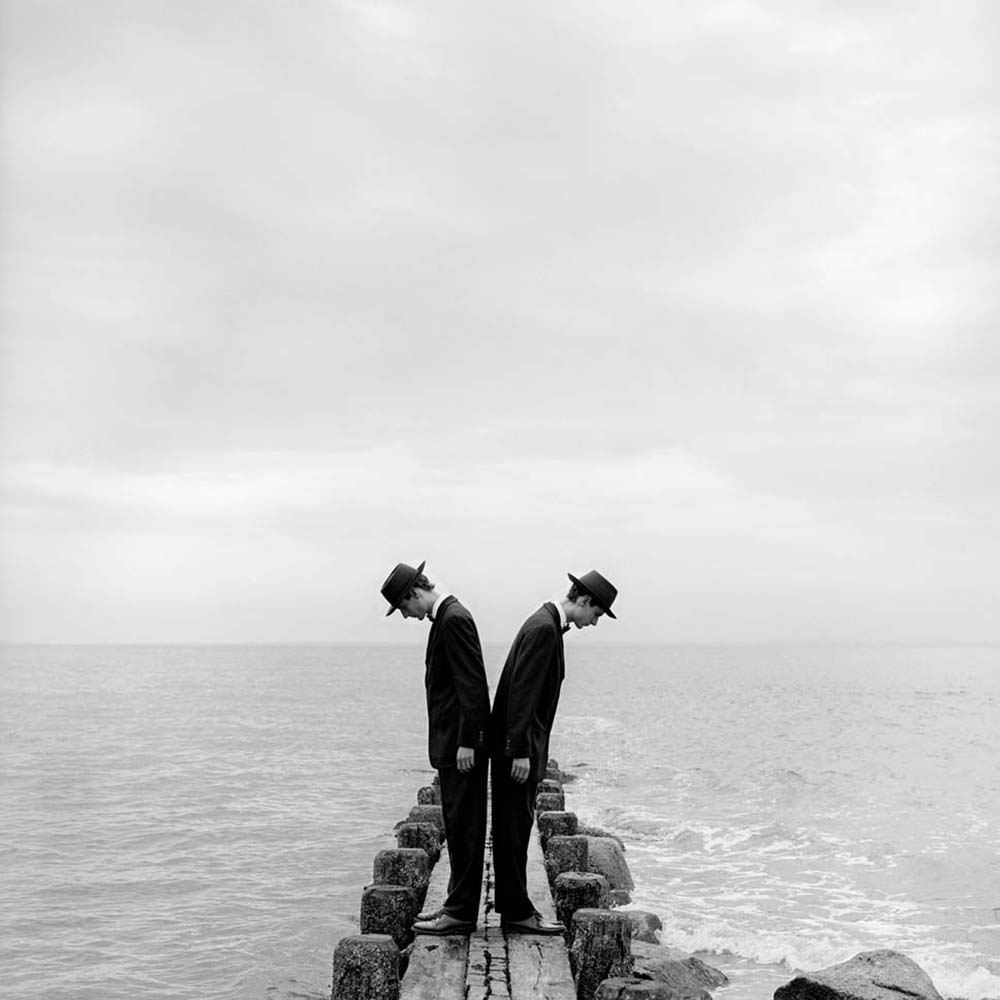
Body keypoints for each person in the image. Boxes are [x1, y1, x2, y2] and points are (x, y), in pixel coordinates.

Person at [489, 569, 618, 935]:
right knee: (514, 830)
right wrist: (519, 751)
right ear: (584, 600)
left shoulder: (544, 622)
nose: (594, 623)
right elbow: (522, 694)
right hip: (518, 750)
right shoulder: (544, 628)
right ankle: (516, 913)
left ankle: (514, 906)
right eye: (597, 614)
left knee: (515, 827)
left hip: (520, 745)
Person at [380, 560, 491, 936]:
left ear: (414, 593)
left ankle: (460, 914)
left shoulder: (454, 618)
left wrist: (468, 742)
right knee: (458, 827)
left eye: (403, 608)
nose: (407, 616)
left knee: (466, 830)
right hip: (452, 745)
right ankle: (453, 904)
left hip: (462, 749)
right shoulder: (445, 617)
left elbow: (473, 686)